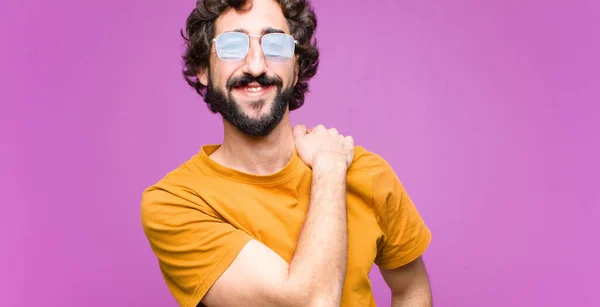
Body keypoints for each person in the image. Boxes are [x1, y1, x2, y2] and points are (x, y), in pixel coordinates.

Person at [140, 0, 433, 306]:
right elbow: (312, 302)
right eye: (232, 45)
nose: (255, 66)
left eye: (276, 45)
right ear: (203, 69)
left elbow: (410, 287)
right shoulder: (175, 203)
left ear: (296, 68)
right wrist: (330, 169)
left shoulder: (367, 173)